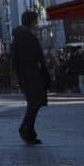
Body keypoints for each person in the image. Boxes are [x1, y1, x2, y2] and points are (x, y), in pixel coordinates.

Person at [12, 11, 50, 145]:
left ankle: (29, 131)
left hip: (28, 73)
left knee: (34, 102)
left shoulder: (21, 35)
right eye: (36, 20)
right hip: (31, 73)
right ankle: (26, 128)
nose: (37, 22)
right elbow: (34, 55)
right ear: (31, 21)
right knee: (35, 101)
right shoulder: (26, 36)